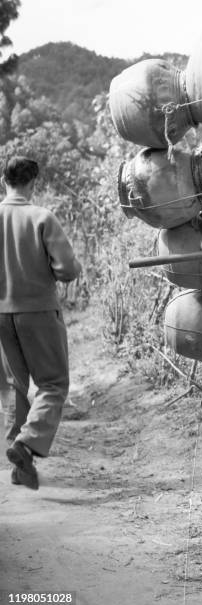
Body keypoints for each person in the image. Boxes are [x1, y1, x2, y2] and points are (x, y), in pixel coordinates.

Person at [0, 156, 82, 489]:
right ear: (34, 181)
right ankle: (26, 443)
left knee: (18, 385)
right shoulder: (41, 217)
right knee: (53, 385)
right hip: (38, 312)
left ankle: (22, 468)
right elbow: (68, 270)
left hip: (1, 314)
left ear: (4, 179)